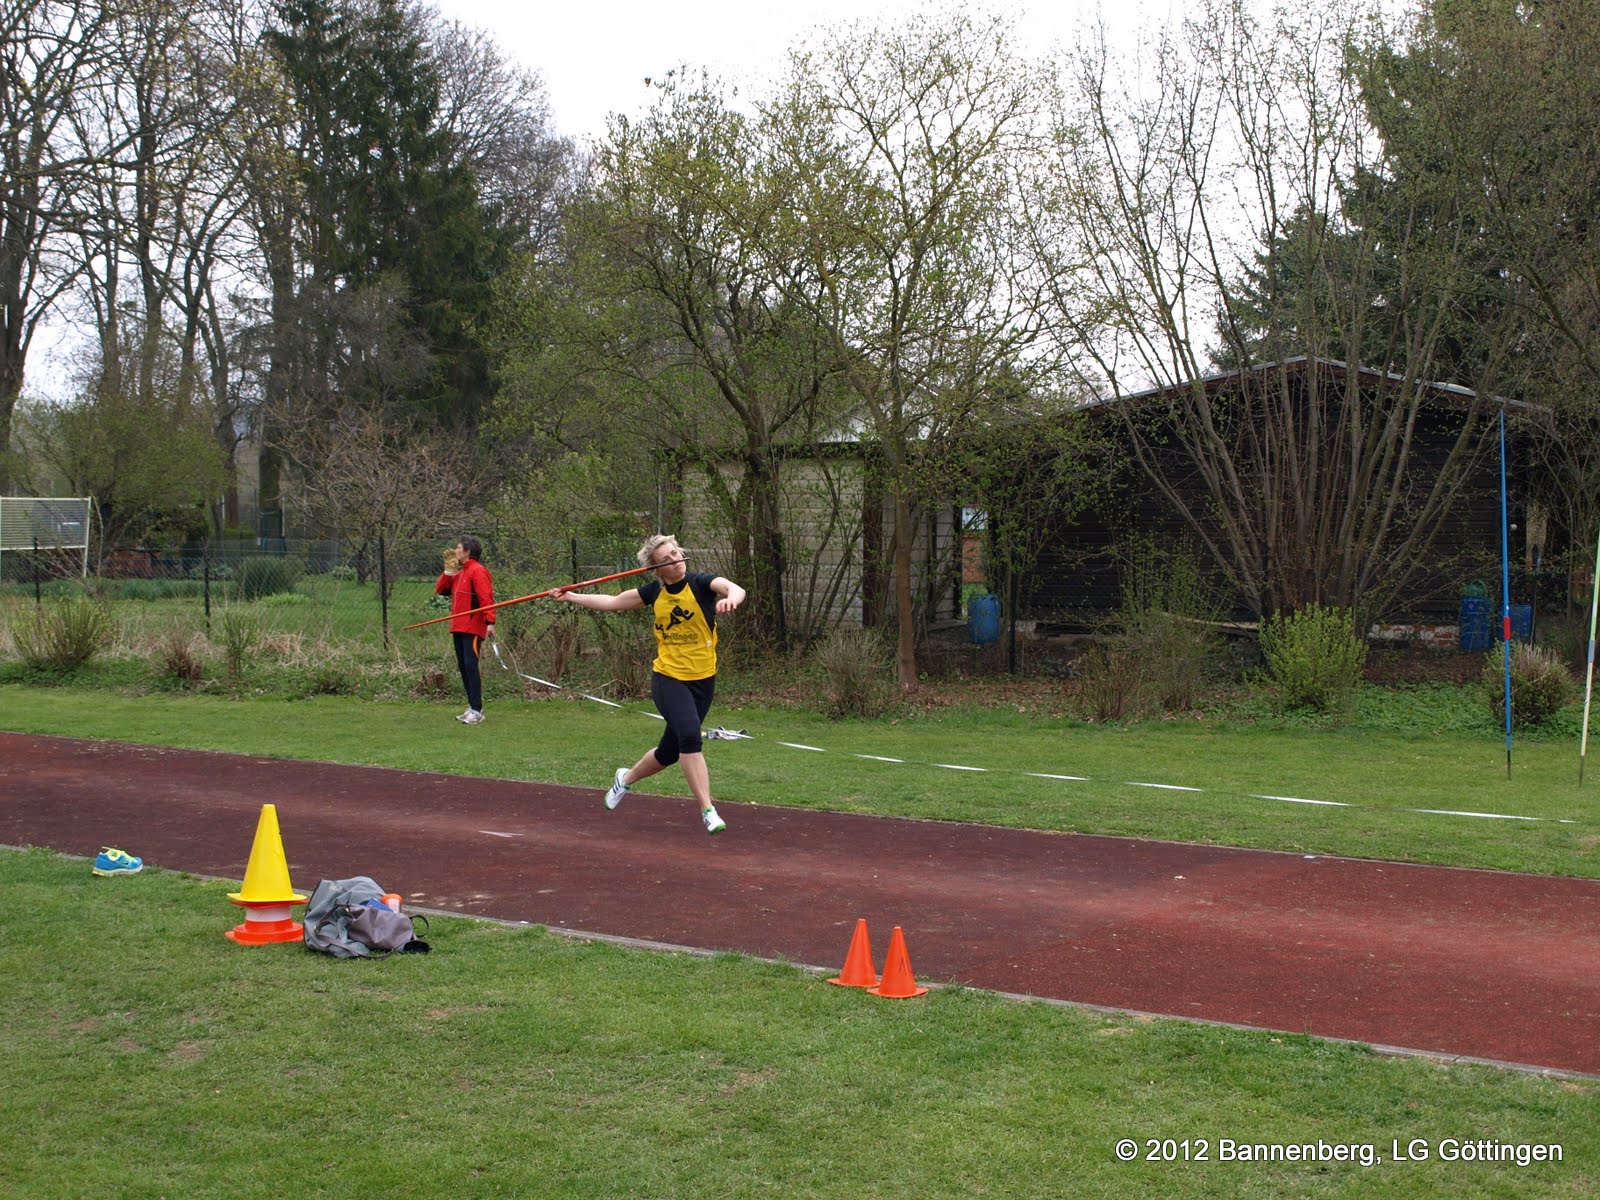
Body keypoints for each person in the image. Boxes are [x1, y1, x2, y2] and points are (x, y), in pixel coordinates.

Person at [553, 534, 745, 835]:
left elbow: (734, 588)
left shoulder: (701, 583)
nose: (675, 560)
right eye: (666, 559)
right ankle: (708, 810)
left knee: (669, 752)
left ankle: (625, 779)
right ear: (656, 569)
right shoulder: (654, 592)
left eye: (676, 553)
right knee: (690, 737)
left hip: (703, 681)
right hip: (668, 678)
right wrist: (572, 597)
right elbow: (612, 602)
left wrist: (731, 598)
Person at [436, 535, 495, 725]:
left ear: (468, 552)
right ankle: (472, 706)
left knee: (470, 666)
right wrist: (448, 571)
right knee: (463, 666)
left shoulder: (478, 571)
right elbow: (441, 590)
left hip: (473, 627)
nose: (455, 551)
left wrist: (490, 621)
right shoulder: (459, 574)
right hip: (458, 627)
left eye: (458, 548)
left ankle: (477, 710)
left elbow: (486, 597)